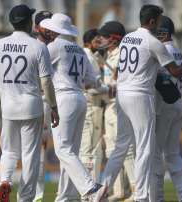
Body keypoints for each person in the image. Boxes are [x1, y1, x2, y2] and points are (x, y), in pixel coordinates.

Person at [94, 4, 182, 202]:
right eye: (159, 20)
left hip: (122, 94)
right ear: (153, 21)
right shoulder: (153, 42)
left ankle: (100, 192)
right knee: (145, 148)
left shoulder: (128, 37)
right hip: (139, 96)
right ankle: (142, 197)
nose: (160, 24)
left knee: (121, 147)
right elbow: (175, 72)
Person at [0, 4, 59, 202]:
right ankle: (25, 198)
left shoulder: (0, 44)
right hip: (32, 106)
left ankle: (5, 180)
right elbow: (46, 81)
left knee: (9, 150)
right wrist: (53, 107)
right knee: (30, 155)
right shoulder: (38, 46)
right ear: (28, 23)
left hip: (8, 107)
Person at [40, 13, 105, 201]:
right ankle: (67, 197)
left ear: (55, 30)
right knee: (71, 152)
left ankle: (91, 188)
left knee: (63, 150)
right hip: (79, 98)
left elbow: (39, 71)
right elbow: (92, 81)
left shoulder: (53, 46)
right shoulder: (78, 49)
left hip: (63, 99)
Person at [152, 15, 182, 202]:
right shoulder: (176, 50)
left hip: (164, 107)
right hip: (178, 105)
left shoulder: (162, 50)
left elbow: (159, 80)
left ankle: (157, 198)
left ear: (162, 33)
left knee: (154, 154)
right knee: (172, 154)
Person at [96, 21, 136, 201]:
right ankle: (119, 191)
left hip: (121, 107)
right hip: (109, 108)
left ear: (113, 39)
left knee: (126, 151)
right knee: (111, 152)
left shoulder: (123, 54)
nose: (100, 40)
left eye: (104, 37)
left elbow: (122, 81)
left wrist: (110, 85)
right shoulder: (108, 56)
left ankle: (136, 190)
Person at [32, 10, 54, 202]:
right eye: (45, 24)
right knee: (37, 149)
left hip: (53, 101)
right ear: (36, 27)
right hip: (41, 101)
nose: (49, 27)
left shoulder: (55, 46)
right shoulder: (37, 47)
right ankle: (36, 194)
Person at [80, 28, 105, 185]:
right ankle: (89, 189)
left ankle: (88, 188)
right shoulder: (87, 57)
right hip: (90, 104)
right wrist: (110, 89)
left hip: (93, 104)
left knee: (92, 149)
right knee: (90, 149)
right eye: (97, 41)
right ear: (88, 43)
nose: (100, 43)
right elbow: (88, 85)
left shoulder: (92, 56)